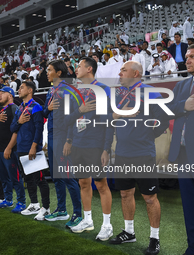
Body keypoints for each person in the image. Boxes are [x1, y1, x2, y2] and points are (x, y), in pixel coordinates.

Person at [109, 61, 168, 255]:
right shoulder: (118, 94)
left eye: (123, 70)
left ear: (135, 73)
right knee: (125, 194)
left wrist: (148, 135)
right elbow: (110, 117)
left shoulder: (151, 92)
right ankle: (129, 232)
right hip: (122, 153)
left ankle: (155, 239)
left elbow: (163, 120)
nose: (120, 73)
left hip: (143, 154)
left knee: (149, 198)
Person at [66, 57, 114, 241]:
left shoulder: (103, 89)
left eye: (78, 67)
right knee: (83, 183)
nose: (76, 70)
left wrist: (106, 148)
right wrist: (69, 139)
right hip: (78, 144)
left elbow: (108, 121)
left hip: (95, 144)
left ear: (89, 69)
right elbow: (69, 119)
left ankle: (107, 225)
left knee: (101, 185)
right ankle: (87, 220)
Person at [167, 43, 194, 255]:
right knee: (191, 209)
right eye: (187, 56)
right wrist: (184, 106)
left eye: (193, 56)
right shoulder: (181, 86)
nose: (187, 60)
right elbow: (168, 110)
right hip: (182, 156)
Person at [42, 60, 83, 228]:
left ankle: (78, 214)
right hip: (51, 136)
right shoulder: (52, 90)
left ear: (59, 73)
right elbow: (45, 112)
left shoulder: (68, 91)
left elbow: (76, 119)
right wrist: (49, 108)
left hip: (62, 137)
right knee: (56, 176)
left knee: (68, 176)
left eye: (49, 70)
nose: (46, 72)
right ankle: (61, 210)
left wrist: (69, 140)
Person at [10, 81, 50, 220]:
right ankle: (34, 204)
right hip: (20, 148)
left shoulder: (36, 107)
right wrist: (19, 122)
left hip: (32, 148)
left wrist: (34, 146)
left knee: (40, 179)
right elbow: (12, 128)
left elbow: (39, 129)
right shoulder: (20, 108)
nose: (19, 90)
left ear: (30, 90)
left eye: (22, 87)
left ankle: (46, 208)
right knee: (27, 178)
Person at [0, 86, 26, 212]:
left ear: (10, 95)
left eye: (2, 93)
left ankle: (21, 202)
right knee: (4, 177)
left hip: (10, 149)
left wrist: (9, 148)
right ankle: (8, 199)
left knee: (15, 177)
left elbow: (16, 130)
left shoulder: (14, 108)